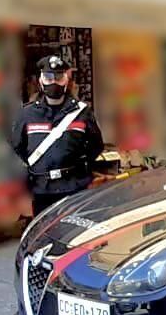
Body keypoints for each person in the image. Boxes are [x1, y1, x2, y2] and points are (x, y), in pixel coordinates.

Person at [10, 55, 103, 215]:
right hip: (41, 191)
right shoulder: (27, 114)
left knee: (74, 236)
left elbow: (96, 146)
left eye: (58, 77)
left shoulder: (82, 113)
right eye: (48, 77)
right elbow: (16, 148)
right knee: (44, 236)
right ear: (40, 81)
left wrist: (79, 168)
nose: (53, 82)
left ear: (66, 80)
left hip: (74, 188)